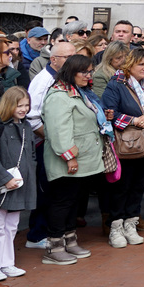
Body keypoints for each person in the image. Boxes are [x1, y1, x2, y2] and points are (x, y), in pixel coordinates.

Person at [41, 55, 108, 265]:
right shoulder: (59, 96)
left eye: (91, 71)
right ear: (72, 72)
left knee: (73, 201)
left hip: (83, 159)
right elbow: (58, 130)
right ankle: (54, 246)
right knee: (62, 201)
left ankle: (69, 240)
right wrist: (69, 157)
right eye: (85, 72)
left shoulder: (79, 92)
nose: (89, 76)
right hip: (68, 161)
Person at [102, 47, 144, 249]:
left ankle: (131, 224)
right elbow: (109, 112)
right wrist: (137, 120)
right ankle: (116, 227)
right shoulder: (116, 84)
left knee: (139, 186)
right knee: (122, 187)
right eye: (141, 64)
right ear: (130, 64)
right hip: (126, 144)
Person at [0, 87, 36, 283]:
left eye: (26, 105)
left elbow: (31, 153)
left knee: (11, 225)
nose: (24, 109)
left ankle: (7, 262)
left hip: (20, 182)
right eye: (19, 105)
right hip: (4, 183)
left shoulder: (26, 126)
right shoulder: (1, 126)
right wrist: (3, 178)